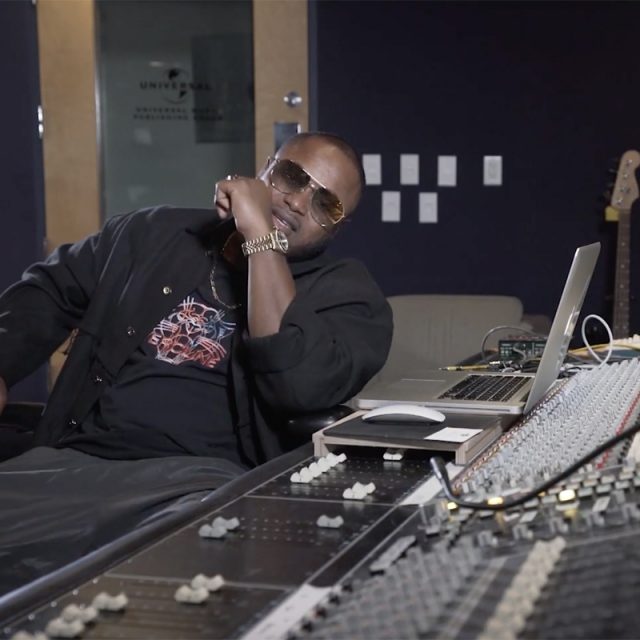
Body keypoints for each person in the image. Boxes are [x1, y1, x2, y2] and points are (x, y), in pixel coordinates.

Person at [0, 131, 393, 593]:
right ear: (265, 169)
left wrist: (260, 236)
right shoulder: (152, 234)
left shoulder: (350, 298)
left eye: (326, 204)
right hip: (73, 464)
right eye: (291, 177)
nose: (297, 202)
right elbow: (46, 293)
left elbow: (297, 382)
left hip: (197, 487)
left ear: (336, 228)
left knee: (162, 573)